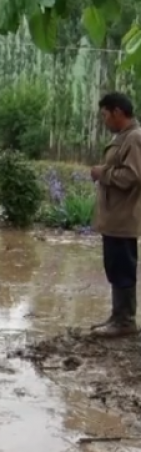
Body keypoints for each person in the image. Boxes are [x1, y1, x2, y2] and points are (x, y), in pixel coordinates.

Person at [90, 91, 141, 338]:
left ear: (117, 112)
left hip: (123, 217)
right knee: (115, 266)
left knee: (122, 267)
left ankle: (125, 321)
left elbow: (133, 176)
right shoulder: (125, 137)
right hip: (115, 217)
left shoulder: (134, 138)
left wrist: (103, 174)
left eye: (105, 115)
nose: (104, 120)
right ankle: (117, 316)